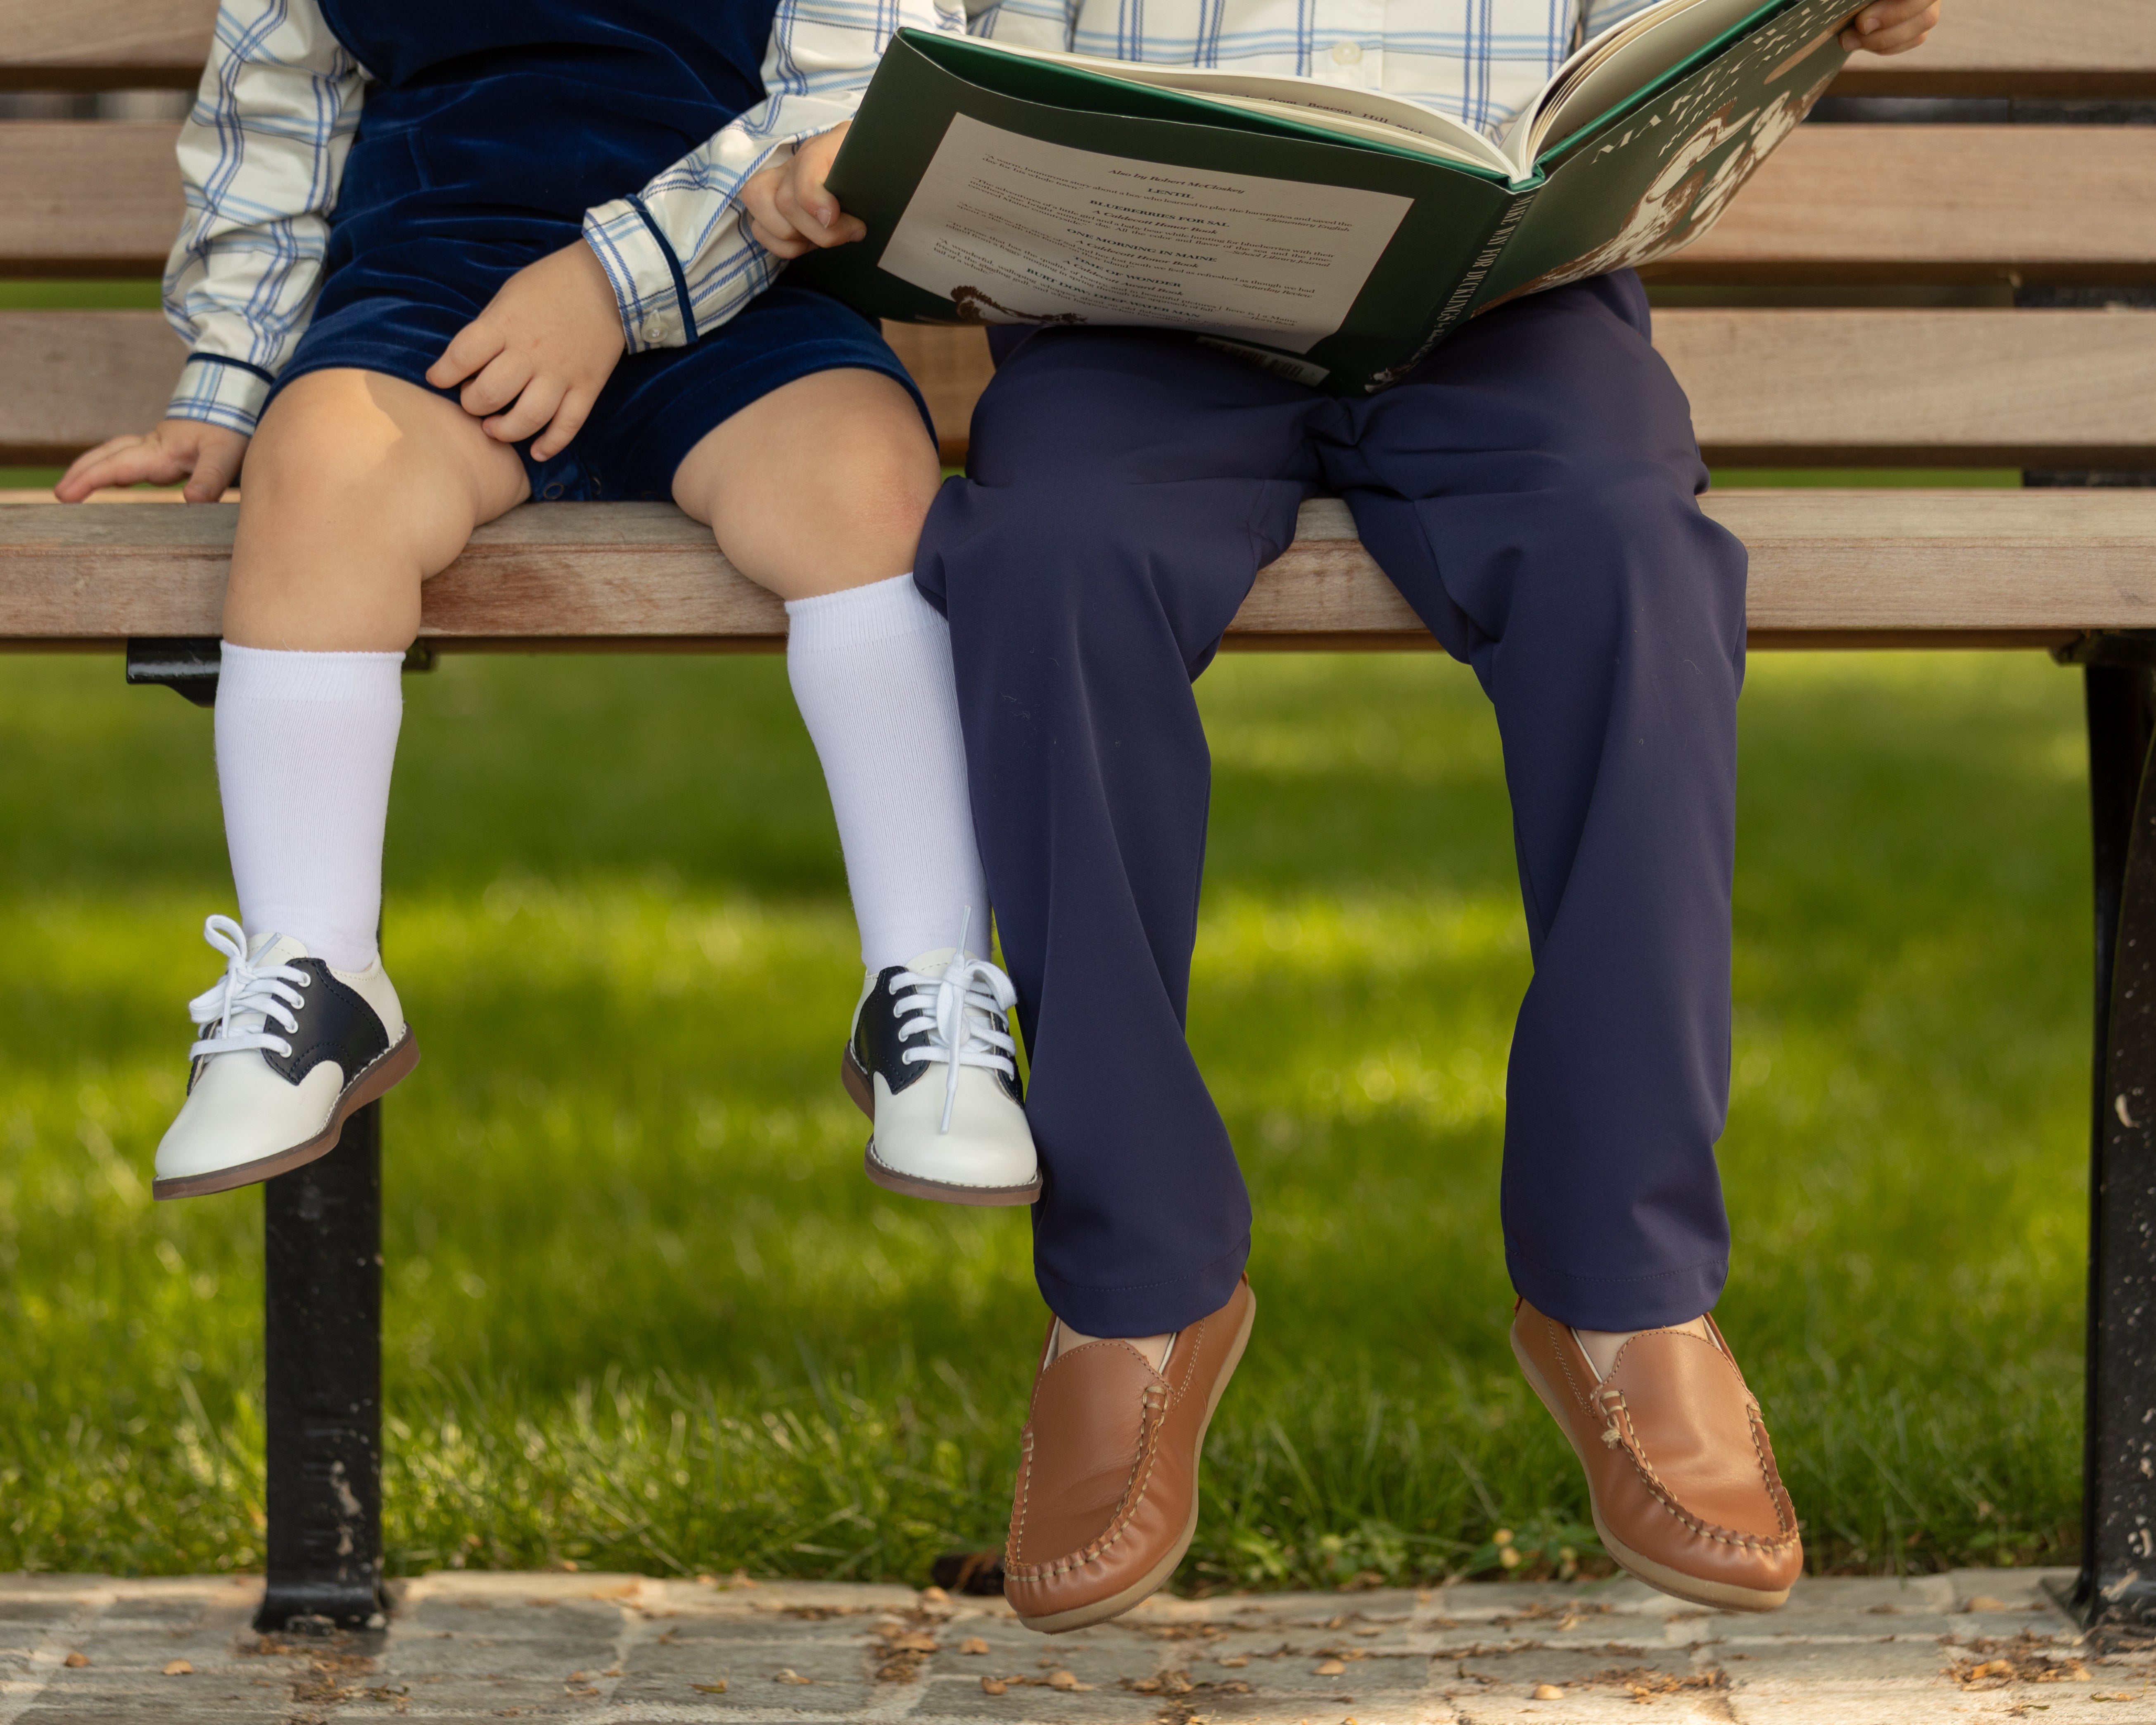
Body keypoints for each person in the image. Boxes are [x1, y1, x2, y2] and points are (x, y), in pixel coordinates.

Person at [747, 0, 1946, 1628]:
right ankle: (1129, 1294)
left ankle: (1628, 1291)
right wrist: (832, 126)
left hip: (1508, 312)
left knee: (1632, 568)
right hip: (1130, 310)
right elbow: (857, 46)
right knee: (1048, 565)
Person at [53, 0, 1040, 1210]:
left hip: (745, 281)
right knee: (321, 467)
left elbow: (847, 107)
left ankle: (929, 986)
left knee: (867, 483)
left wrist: (611, 286)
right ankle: (312, 972)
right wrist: (227, 380)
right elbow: (277, 114)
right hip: (438, 297)